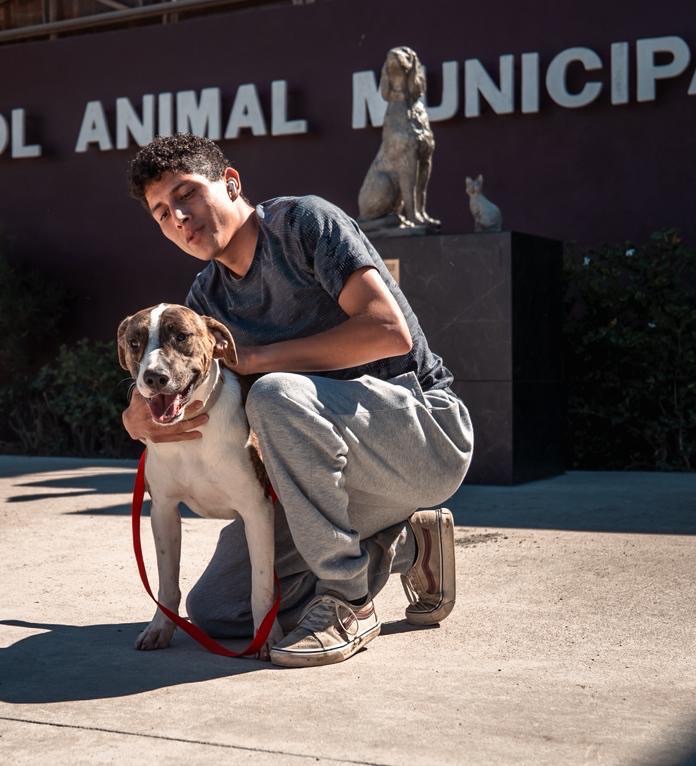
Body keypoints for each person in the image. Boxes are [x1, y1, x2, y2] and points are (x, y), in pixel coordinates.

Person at [121, 134, 473, 668]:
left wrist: (260, 359)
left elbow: (388, 332)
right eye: (162, 213)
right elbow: (176, 370)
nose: (180, 218)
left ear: (231, 182)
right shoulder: (204, 300)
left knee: (275, 394)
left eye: (187, 194)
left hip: (422, 430)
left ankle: (349, 602)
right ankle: (406, 544)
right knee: (218, 609)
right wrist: (136, 415)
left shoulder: (305, 225)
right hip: (320, 475)